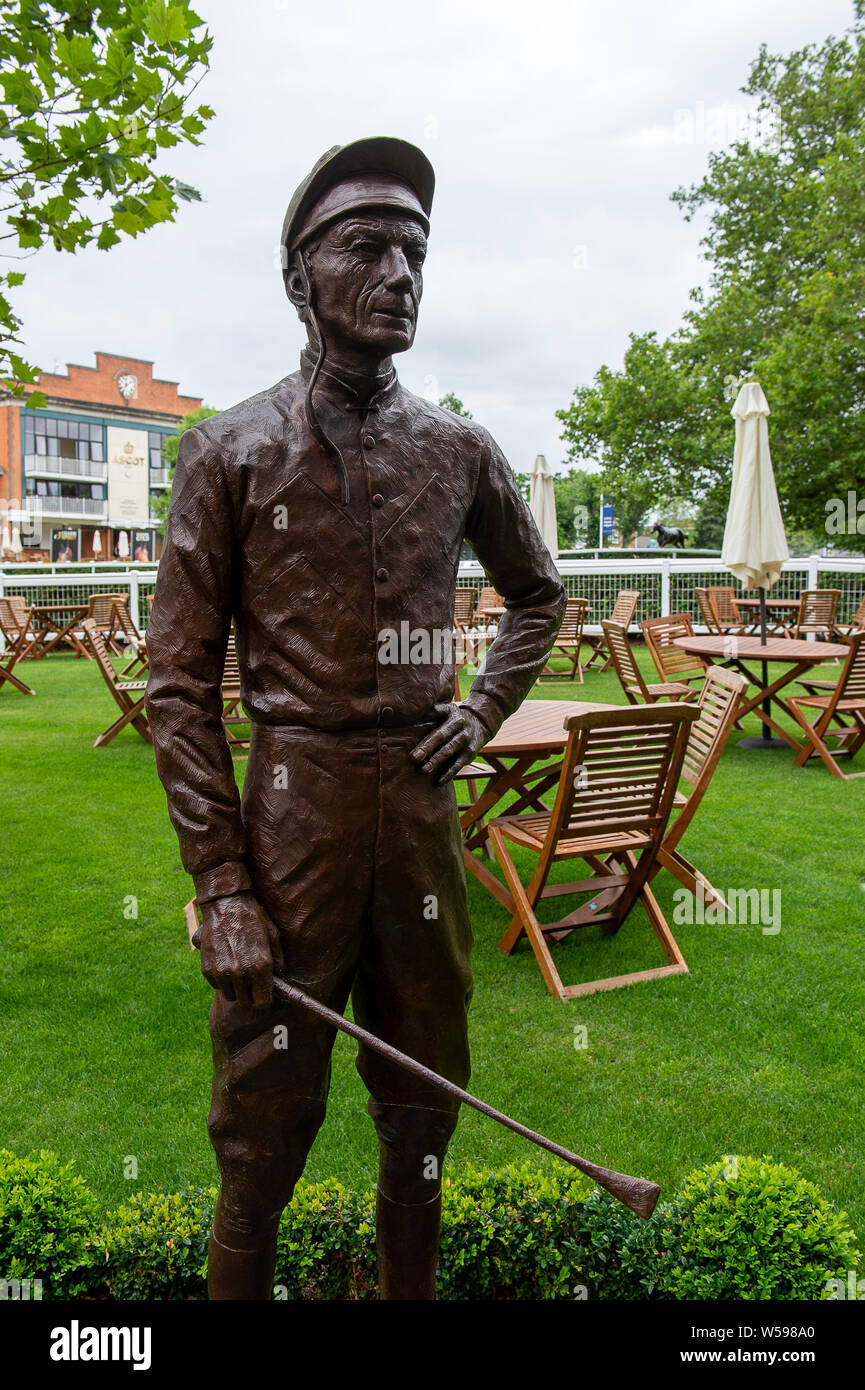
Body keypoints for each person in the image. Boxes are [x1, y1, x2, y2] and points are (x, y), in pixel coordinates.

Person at [145, 136, 565, 1301]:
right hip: (294, 823)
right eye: (366, 248)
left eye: (416, 252)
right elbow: (175, 683)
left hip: (419, 818)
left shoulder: (459, 450)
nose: (400, 274)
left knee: (425, 1092)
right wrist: (221, 886)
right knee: (263, 1113)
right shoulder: (227, 452)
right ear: (299, 280)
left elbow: (537, 598)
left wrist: (480, 707)